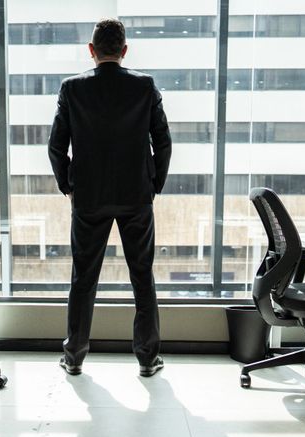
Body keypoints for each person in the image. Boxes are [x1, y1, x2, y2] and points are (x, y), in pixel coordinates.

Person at [48, 18, 172, 377]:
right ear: (124, 50)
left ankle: (74, 357)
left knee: (83, 278)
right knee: (142, 276)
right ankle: (148, 359)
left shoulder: (72, 88)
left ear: (92, 50)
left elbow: (57, 146)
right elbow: (162, 141)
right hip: (136, 196)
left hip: (88, 197)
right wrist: (154, 185)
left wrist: (68, 186)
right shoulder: (145, 86)